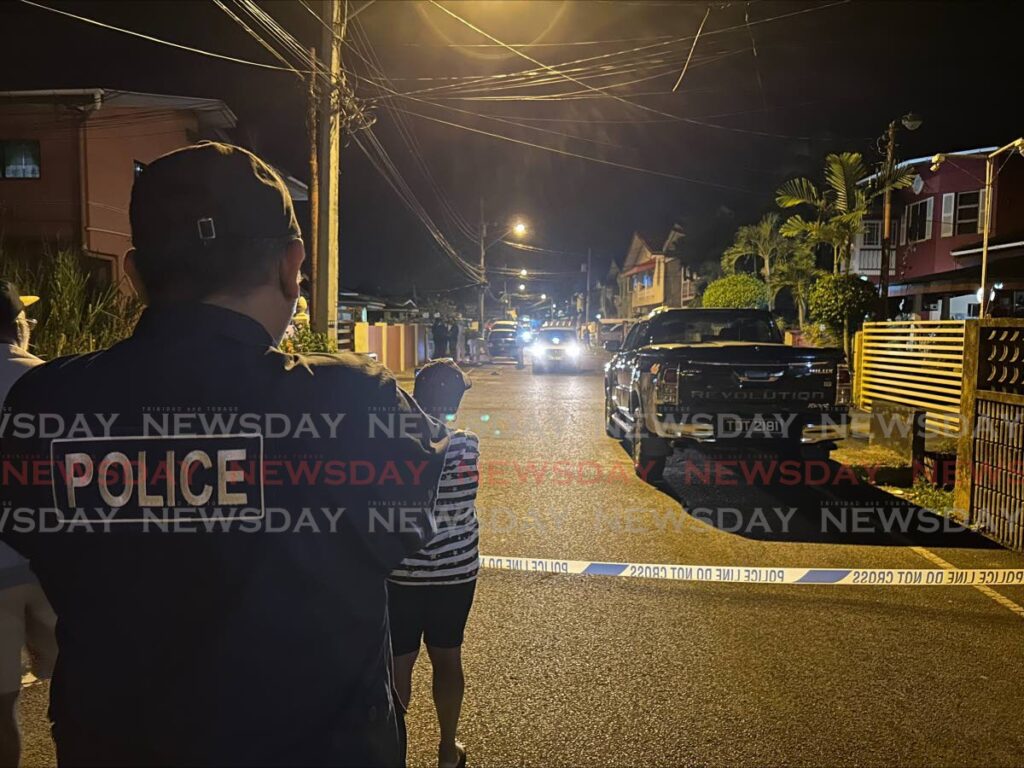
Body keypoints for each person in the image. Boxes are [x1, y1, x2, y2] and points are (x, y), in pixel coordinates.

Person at [0, 142, 448, 766]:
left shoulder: (45, 405)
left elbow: (39, 537)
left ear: (132, 274)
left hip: (116, 742)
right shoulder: (353, 400)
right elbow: (409, 527)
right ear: (294, 266)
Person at [389, 359, 479, 768]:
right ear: (455, 402)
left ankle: (393, 751)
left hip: (401, 572)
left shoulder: (391, 443)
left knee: (397, 663)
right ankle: (447, 749)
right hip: (454, 573)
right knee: (448, 658)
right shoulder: (468, 444)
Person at [0, 283, 58, 768]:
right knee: (77, 692)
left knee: (2, 709)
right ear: (19, 325)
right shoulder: (53, 381)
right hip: (50, 566)